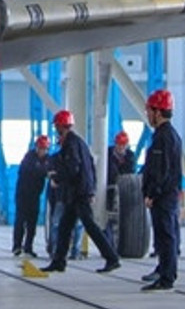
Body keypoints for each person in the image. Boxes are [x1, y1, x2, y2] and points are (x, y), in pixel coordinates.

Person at [39, 110, 122, 275]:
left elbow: (73, 168)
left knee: (90, 226)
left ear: (61, 126)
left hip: (78, 193)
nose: (56, 129)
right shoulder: (78, 143)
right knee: (64, 227)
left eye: (57, 126)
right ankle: (58, 261)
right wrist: (92, 188)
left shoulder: (71, 144)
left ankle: (112, 258)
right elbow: (89, 166)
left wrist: (56, 176)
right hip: (78, 192)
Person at [141, 89, 183, 291]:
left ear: (158, 112)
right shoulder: (171, 135)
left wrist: (152, 193)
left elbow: (160, 170)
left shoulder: (162, 138)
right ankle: (165, 271)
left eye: (149, 111)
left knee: (165, 237)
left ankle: (166, 277)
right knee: (166, 236)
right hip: (169, 195)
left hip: (163, 197)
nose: (148, 115)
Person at [12, 135, 51, 258]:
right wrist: (46, 172)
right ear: (36, 147)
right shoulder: (29, 157)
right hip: (23, 195)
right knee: (20, 221)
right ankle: (17, 246)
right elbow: (33, 170)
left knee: (32, 223)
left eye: (44, 149)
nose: (42, 151)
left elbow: (50, 169)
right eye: (40, 148)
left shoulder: (48, 159)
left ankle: (28, 247)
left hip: (35, 195)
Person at [104, 130, 136, 245]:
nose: (121, 148)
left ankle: (120, 242)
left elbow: (131, 173)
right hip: (109, 189)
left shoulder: (130, 156)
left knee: (124, 218)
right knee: (106, 216)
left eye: (123, 145)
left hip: (124, 191)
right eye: (119, 145)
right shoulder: (107, 154)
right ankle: (109, 244)